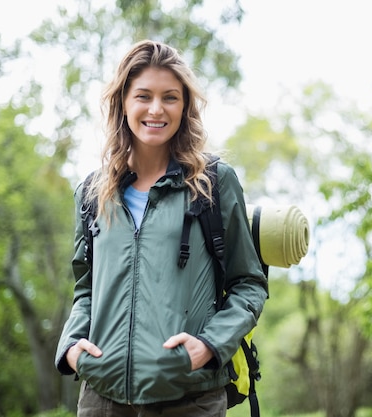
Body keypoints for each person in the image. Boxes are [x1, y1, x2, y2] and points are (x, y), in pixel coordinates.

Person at [54, 40, 268, 417]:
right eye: (143, 96)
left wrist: (209, 345)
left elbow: (248, 284)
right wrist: (71, 347)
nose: (156, 109)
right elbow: (85, 289)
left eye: (170, 97)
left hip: (188, 397)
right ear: (123, 102)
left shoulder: (213, 182)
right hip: (100, 398)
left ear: (185, 106)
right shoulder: (91, 193)